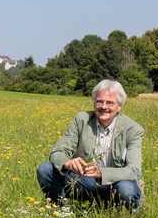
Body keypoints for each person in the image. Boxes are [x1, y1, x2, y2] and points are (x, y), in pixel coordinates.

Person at [36, 79, 144, 210]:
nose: (103, 107)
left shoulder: (132, 129)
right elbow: (57, 152)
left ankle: (121, 216)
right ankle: (59, 211)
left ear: (119, 106)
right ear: (94, 102)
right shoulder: (82, 119)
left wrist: (102, 173)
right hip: (84, 181)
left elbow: (134, 171)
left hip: (115, 184)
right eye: (99, 101)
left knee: (127, 189)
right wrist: (67, 163)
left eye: (110, 103)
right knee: (45, 169)